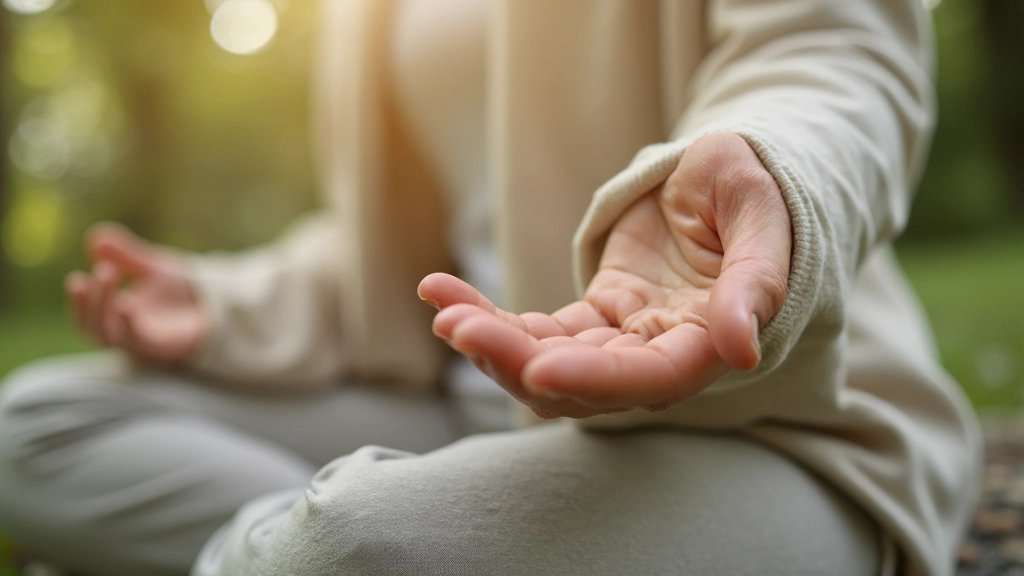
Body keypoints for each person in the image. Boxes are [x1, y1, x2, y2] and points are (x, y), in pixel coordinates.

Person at [0, 0, 981, 575]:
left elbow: (830, 55)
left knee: (349, 545)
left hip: (766, 431)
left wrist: (773, 167)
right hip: (462, 406)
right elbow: (399, 243)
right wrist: (224, 304)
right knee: (32, 427)